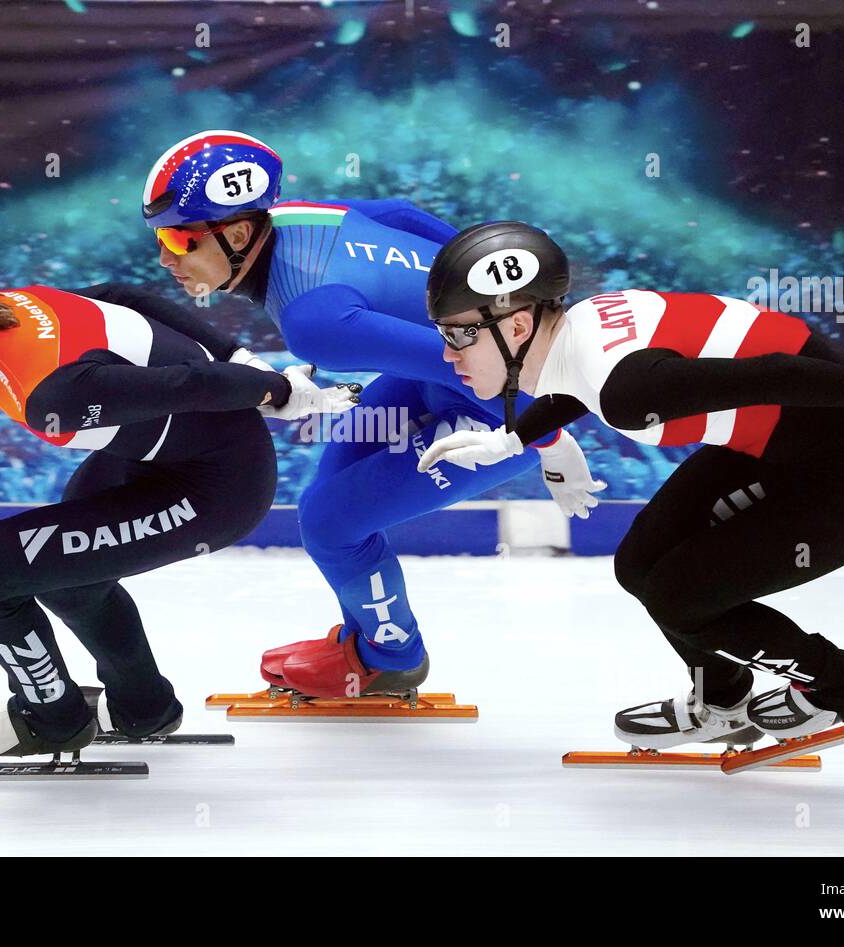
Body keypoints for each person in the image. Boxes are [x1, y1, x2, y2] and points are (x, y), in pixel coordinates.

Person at [418, 221, 844, 746]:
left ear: (517, 327)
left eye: (460, 334)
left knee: (679, 597)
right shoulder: (583, 332)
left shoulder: (626, 391)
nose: (448, 353)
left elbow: (773, 371)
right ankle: (722, 699)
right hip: (786, 446)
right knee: (640, 563)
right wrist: (510, 442)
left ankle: (843, 681)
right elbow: (577, 385)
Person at [0, 216, 356, 757]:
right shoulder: (12, 308)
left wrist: (273, 388)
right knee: (66, 575)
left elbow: (187, 383)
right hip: (163, 458)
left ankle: (52, 719)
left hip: (216, 488)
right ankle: (144, 707)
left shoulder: (48, 393)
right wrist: (234, 353)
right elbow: (119, 297)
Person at [139, 130, 606, 699]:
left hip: (501, 402)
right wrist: (492, 283)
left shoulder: (313, 320)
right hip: (447, 376)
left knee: (331, 523)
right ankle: (369, 636)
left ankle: (390, 658)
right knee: (326, 503)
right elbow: (399, 215)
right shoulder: (294, 216)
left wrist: (549, 439)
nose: (164, 258)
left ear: (238, 234)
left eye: (178, 239)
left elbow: (463, 363)